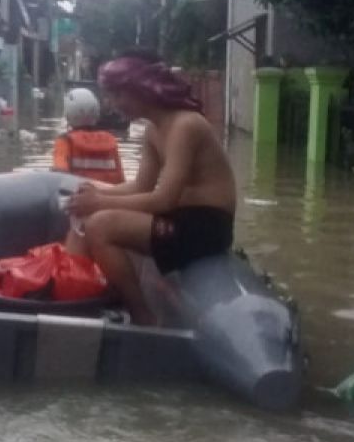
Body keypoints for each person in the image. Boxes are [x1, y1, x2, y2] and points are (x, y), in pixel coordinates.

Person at [65, 51, 237, 326]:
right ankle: (74, 300)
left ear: (142, 89)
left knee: (101, 224)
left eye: (118, 95)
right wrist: (95, 195)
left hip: (206, 227)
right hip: (179, 219)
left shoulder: (186, 125)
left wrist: (100, 203)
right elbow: (140, 185)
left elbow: (164, 199)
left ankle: (142, 316)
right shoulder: (153, 130)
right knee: (85, 217)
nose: (112, 104)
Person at [52, 88, 125, 185]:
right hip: (109, 197)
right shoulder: (110, 140)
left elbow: (59, 178)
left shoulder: (65, 141)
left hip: (79, 197)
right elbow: (121, 181)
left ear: (68, 113)